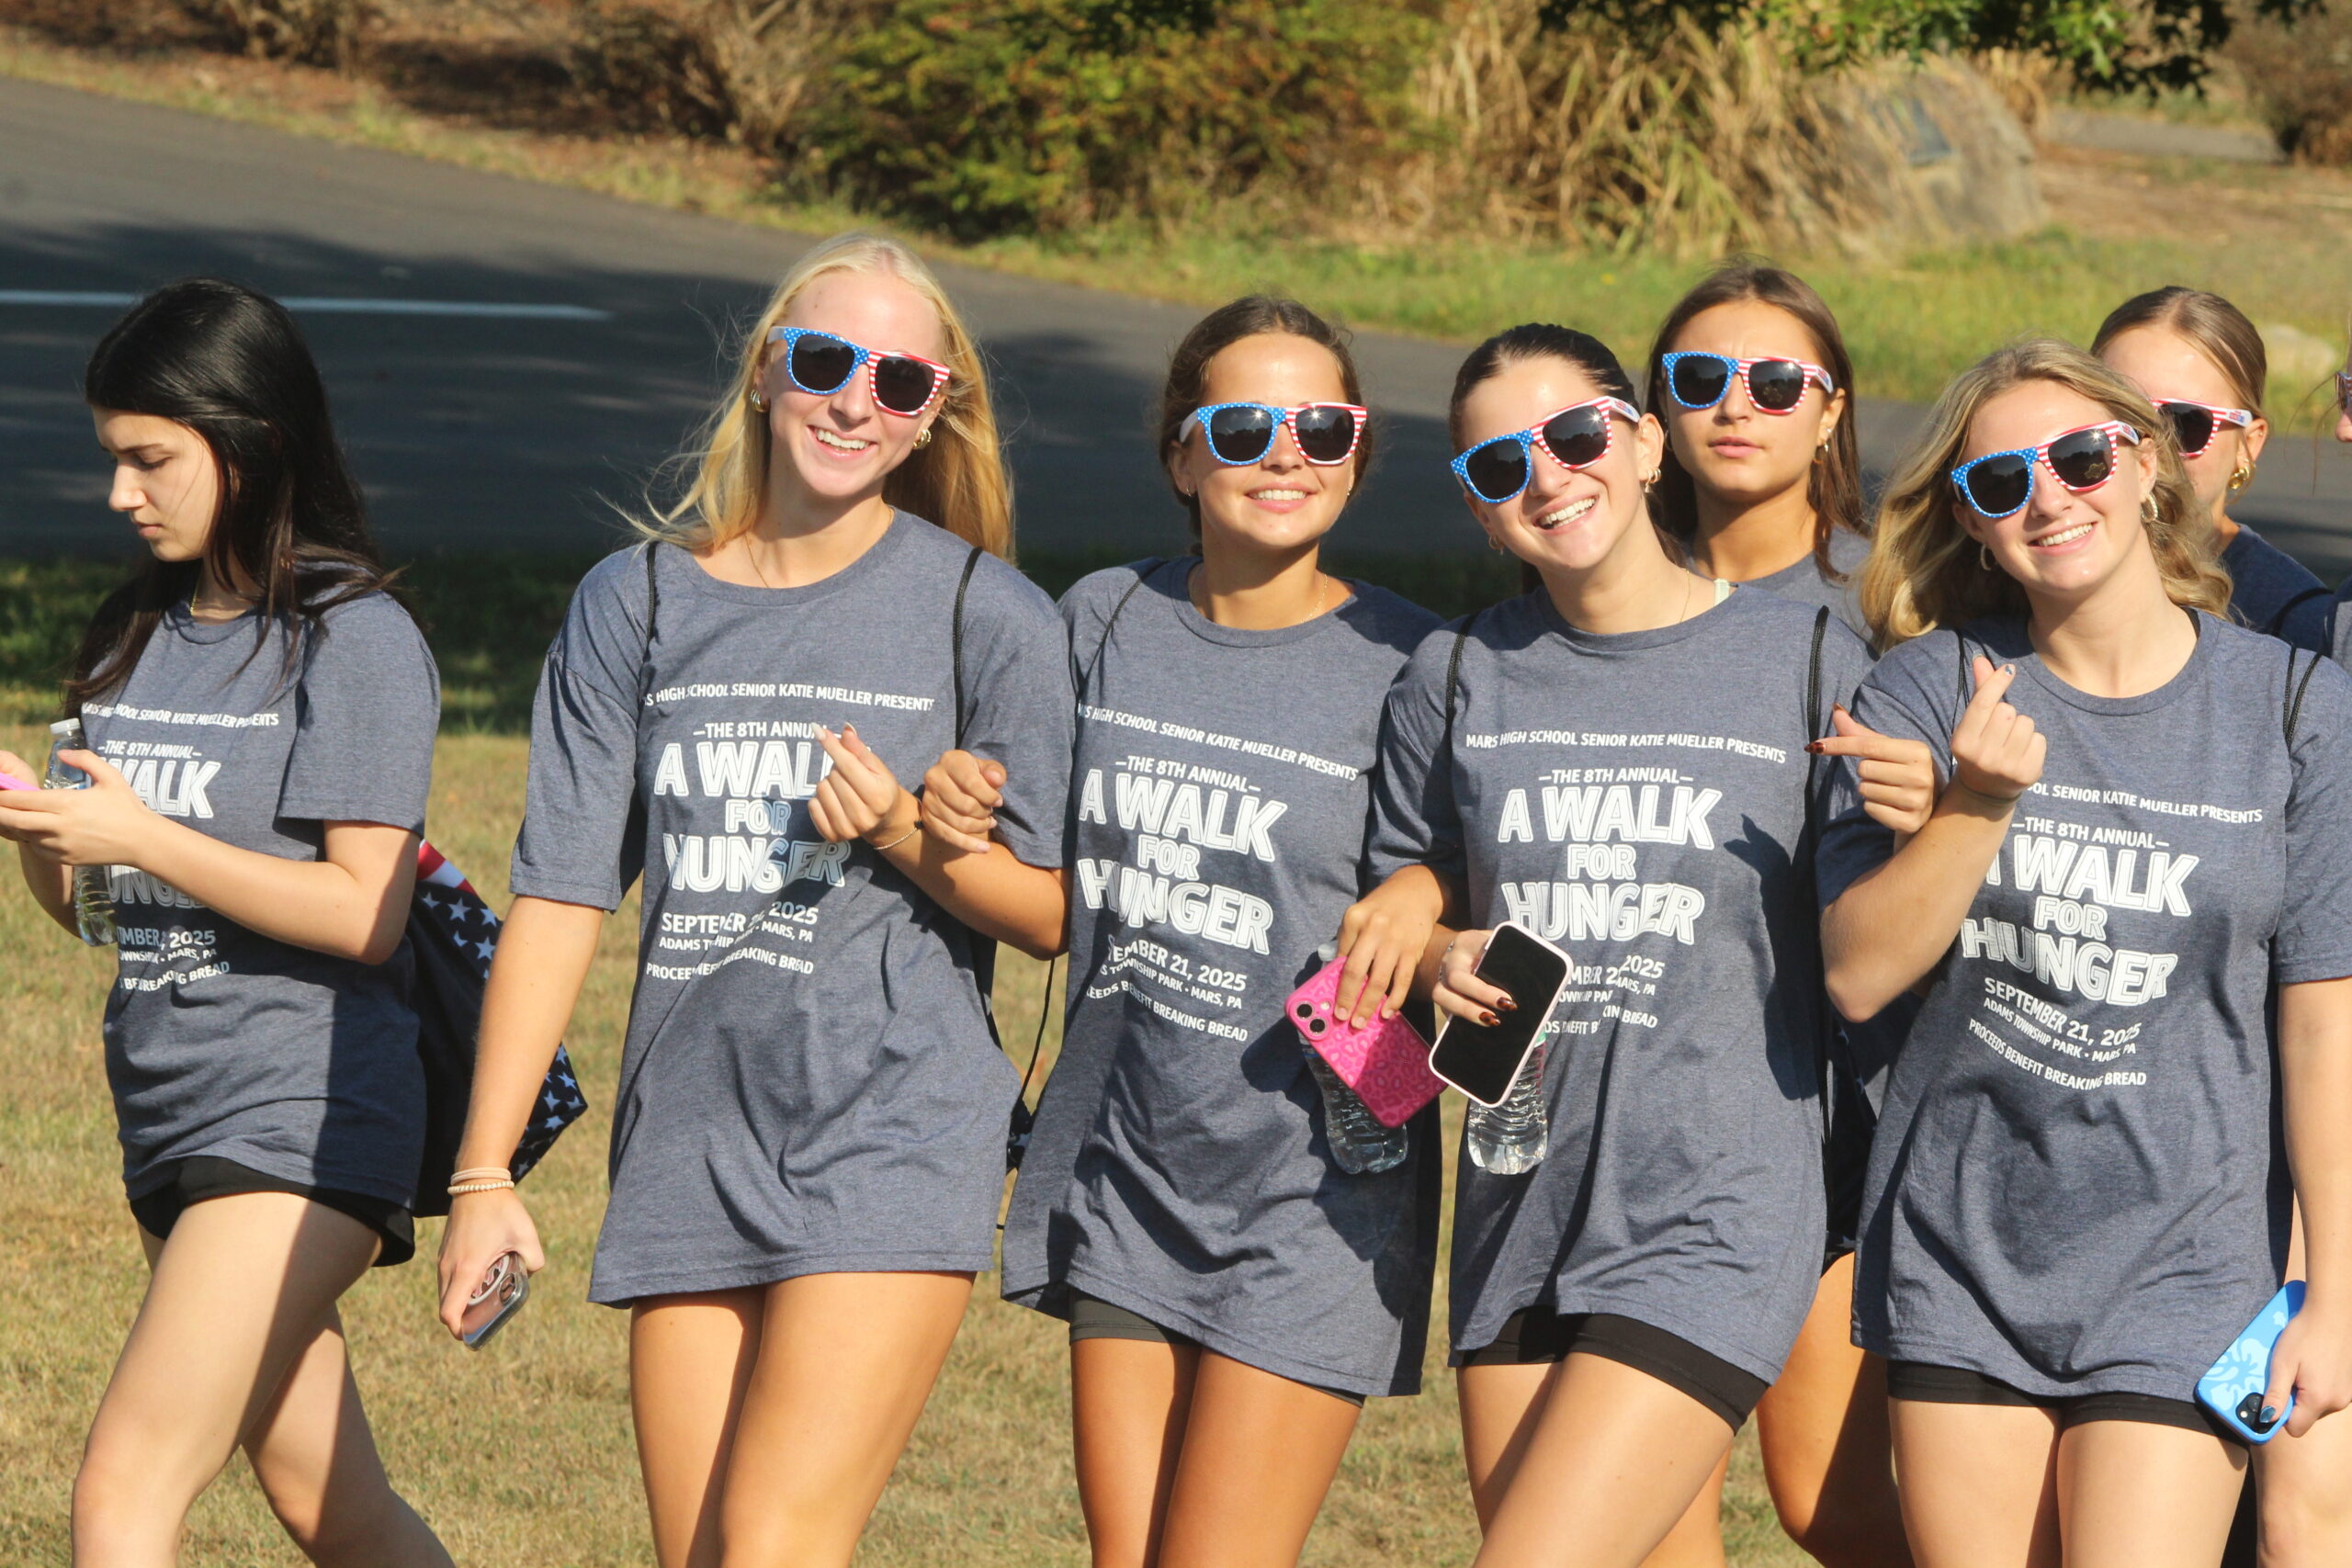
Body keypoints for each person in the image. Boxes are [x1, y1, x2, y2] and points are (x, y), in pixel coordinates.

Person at [433, 232, 1074, 1568]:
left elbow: (1056, 914)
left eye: (901, 382)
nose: (855, 403)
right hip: (689, 1129)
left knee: (776, 1539)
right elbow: (559, 895)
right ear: (767, 371)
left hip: (892, 1125)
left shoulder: (986, 612)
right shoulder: (636, 599)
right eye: (826, 361)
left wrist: (907, 832)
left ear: (935, 413)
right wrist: (484, 1171)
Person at [1820, 338, 2352, 1568]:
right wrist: (1973, 806)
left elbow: (2325, 1021)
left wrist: (2335, 1291)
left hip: (2189, 1259)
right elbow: (1857, 972)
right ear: (1970, 519)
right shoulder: (1927, 692)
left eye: (2077, 457)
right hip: (1963, 1250)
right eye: (2001, 482)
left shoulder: (2295, 707)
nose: (2048, 498)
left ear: (2147, 464)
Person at [1367, 322, 1878, 1568]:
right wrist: (1434, 954)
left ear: (1646, 445)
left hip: (1717, 1205)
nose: (1546, 475)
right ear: (1481, 511)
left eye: (1575, 434)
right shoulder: (1454, 674)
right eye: (1501, 464)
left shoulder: (1807, 657)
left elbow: (1876, 930)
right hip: (1520, 1197)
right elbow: (1403, 908)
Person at [0, 279, 453, 1565]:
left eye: (151, 459)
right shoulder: (138, 630)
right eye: (113, 457)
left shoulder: (355, 638)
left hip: (299, 1117)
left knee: (123, 1487)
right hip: (169, 1114)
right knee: (334, 1507)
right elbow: (101, 909)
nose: (120, 492)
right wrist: (43, 830)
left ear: (248, 444)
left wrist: (146, 833)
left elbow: (367, 912)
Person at [996, 297, 1442, 1568]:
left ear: (1356, 451)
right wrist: (943, 815)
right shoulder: (1102, 618)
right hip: (1126, 1162)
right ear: (1183, 457)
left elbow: (1484, 869)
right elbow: (1040, 879)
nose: (1284, 453)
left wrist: (1430, 886)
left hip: (1315, 1188)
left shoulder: (1415, 661)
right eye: (1243, 428)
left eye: (1321, 427)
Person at [1641, 262, 1920, 1568]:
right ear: (1655, 410)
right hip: (1636, 1109)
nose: (1734, 405)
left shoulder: (1896, 605)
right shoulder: (1609, 587)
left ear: (1831, 410)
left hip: (1838, 1120)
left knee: (1828, 1502)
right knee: (1650, 1511)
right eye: (1700, 378)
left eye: (1774, 381)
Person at [2095, 286, 2331, 650]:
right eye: (2120, 415)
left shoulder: (2295, 622)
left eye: (2184, 423)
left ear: (2248, 445)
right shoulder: (2032, 578)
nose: (2147, 446)